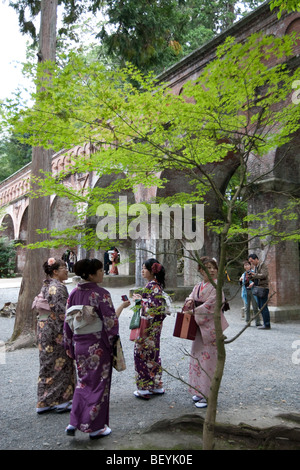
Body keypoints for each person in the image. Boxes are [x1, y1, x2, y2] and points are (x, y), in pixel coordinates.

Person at [63, 258, 130, 439]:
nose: (103, 273)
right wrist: (112, 342)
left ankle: (74, 422)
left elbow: (67, 322)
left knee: (83, 382)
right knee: (99, 384)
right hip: (98, 345)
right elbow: (110, 322)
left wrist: (68, 343)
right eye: (100, 271)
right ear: (90, 275)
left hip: (79, 344)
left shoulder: (74, 293)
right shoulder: (101, 294)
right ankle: (95, 428)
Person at [184, 257, 229, 409]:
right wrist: (189, 301)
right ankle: (199, 390)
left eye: (213, 267)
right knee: (197, 358)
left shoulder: (217, 287)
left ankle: (208, 394)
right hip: (198, 329)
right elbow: (190, 296)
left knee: (209, 361)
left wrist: (194, 311)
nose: (211, 270)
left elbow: (211, 306)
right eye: (208, 268)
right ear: (201, 270)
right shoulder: (198, 286)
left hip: (210, 329)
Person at [33, 257, 76, 414]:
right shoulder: (58, 288)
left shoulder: (47, 285)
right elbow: (62, 313)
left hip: (44, 328)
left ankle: (43, 401)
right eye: (63, 267)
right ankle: (59, 400)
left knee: (47, 364)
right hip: (55, 330)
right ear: (55, 271)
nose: (67, 269)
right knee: (61, 363)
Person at [132, 258, 167, 399]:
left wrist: (139, 302)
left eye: (144, 268)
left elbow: (153, 310)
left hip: (147, 328)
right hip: (154, 329)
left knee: (141, 355)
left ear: (152, 271)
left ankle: (145, 387)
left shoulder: (153, 286)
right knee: (152, 356)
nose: (142, 271)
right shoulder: (155, 286)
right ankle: (156, 385)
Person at [248, 253, 271, 330]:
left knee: (264, 306)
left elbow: (264, 275)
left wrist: (254, 275)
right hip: (258, 288)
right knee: (260, 306)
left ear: (256, 259)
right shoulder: (256, 267)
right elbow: (257, 278)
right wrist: (251, 277)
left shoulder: (263, 265)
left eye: (252, 261)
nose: (251, 263)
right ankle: (265, 323)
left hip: (263, 288)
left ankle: (267, 324)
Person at [239, 260, 261, 327]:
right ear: (244, 267)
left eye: (248, 265)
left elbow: (257, 281)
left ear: (250, 266)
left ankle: (257, 322)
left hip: (253, 291)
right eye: (245, 265)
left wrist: (253, 283)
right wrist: (240, 281)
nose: (247, 266)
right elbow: (241, 285)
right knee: (246, 307)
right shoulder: (243, 275)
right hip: (245, 292)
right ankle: (247, 322)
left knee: (255, 307)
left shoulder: (253, 273)